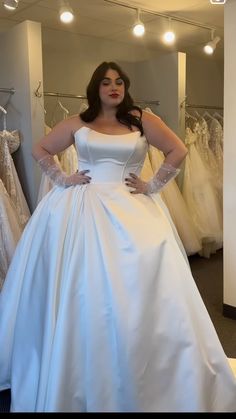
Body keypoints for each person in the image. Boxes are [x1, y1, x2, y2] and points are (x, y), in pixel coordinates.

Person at [0, 61, 235, 413]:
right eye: (107, 82)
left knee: (139, 283)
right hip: (82, 207)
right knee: (83, 285)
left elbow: (178, 150)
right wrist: (63, 178)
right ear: (96, 87)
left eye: (120, 82)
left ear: (126, 88)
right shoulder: (79, 122)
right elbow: (40, 150)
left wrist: (152, 185)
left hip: (132, 206)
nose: (114, 87)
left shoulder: (140, 119)